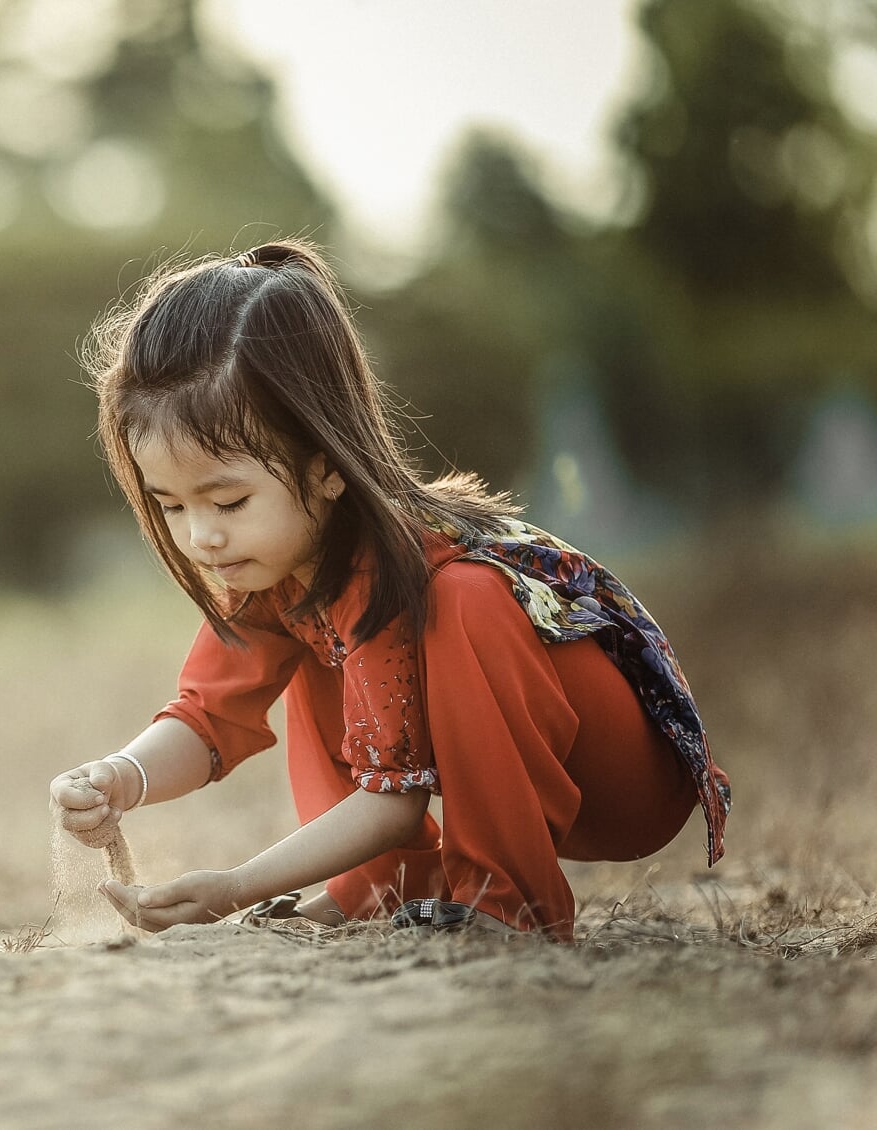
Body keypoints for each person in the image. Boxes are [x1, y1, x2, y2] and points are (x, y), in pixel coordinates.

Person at [47, 238, 729, 941]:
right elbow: (206, 718)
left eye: (227, 503)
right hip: (510, 778)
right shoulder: (270, 571)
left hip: (620, 780)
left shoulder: (408, 565)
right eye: (171, 506)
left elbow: (391, 805)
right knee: (319, 642)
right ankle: (387, 887)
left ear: (327, 467)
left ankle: (509, 905)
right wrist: (122, 776)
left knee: (464, 598)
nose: (201, 538)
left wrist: (236, 887)